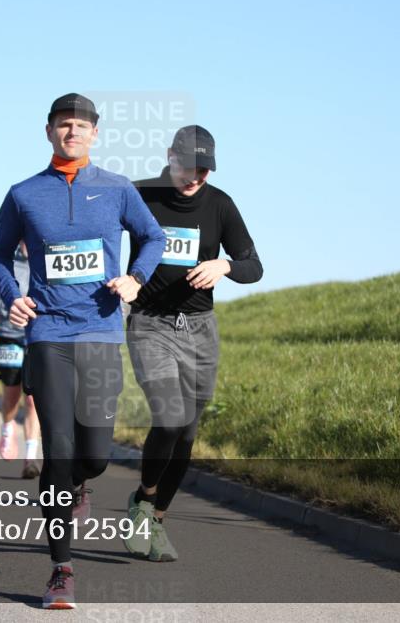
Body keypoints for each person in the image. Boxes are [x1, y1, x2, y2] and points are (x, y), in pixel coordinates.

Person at [0, 93, 165, 609]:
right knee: (59, 453)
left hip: (101, 331)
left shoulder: (116, 189)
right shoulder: (23, 194)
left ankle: (80, 484)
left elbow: (151, 238)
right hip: (48, 334)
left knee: (94, 456)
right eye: (64, 125)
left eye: (81, 125)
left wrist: (135, 278)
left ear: (95, 133)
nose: (72, 132)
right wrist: (13, 295)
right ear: (49, 132)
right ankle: (61, 569)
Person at [123, 125, 262, 562]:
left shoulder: (220, 204)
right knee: (169, 416)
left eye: (204, 169)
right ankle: (144, 499)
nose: (195, 177)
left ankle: (157, 520)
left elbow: (253, 265)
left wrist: (224, 266)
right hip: (150, 323)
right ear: (170, 156)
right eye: (188, 167)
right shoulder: (141, 193)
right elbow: (100, 235)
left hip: (200, 329)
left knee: (186, 434)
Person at [0, 242, 41, 480]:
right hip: (10, 335)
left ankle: (31, 457)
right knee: (12, 394)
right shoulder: (7, 263)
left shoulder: (44, 261)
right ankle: (7, 429)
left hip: (37, 336)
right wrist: (10, 304)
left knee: (34, 399)